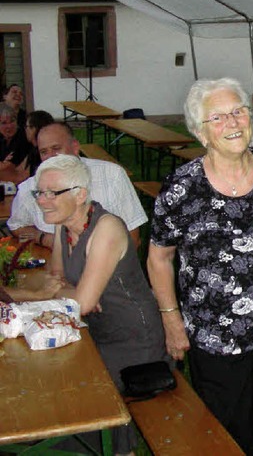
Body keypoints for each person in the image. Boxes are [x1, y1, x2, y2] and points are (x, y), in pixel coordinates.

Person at [147, 78, 253, 456]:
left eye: (238, 111)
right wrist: (171, 319)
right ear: (200, 132)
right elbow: (159, 257)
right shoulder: (183, 187)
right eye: (217, 117)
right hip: (214, 334)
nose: (232, 122)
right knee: (226, 427)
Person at [36, 154, 167, 456]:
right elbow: (55, 278)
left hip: (133, 341)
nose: (42, 200)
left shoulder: (106, 228)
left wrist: (75, 294)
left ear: (80, 194)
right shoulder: (63, 224)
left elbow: (80, 302)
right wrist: (72, 293)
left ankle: (119, 451)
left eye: (50, 193)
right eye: (39, 192)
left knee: (86, 394)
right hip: (96, 331)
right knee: (58, 380)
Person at [8, 122, 147, 249]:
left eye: (56, 148)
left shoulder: (112, 175)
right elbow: (16, 227)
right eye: (44, 152)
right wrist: (43, 238)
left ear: (75, 147)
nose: (50, 157)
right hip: (55, 267)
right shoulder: (30, 188)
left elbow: (133, 237)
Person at [0, 103, 31, 183]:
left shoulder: (22, 137)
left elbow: (8, 168)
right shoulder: (2, 138)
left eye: (12, 121)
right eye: (4, 123)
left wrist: (4, 165)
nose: (9, 126)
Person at [24, 110, 54, 176]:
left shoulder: (40, 153)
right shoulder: (33, 150)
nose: (25, 130)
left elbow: (23, 176)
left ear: (34, 128)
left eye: (27, 126)